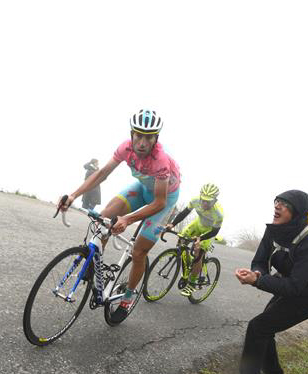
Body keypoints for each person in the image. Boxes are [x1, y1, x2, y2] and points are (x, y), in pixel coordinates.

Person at [58, 109, 181, 323]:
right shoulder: (126, 148)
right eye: (138, 135)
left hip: (164, 199)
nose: (142, 142)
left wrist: (127, 219)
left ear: (156, 139)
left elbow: (159, 202)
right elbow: (102, 173)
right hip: (142, 188)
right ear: (132, 134)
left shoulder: (161, 160)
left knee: (139, 251)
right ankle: (94, 264)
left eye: (148, 137)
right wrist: (73, 195)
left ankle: (128, 298)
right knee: (104, 217)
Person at [220, 190, 308, 374]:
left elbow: (295, 287)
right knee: (264, 329)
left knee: (258, 327)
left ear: (297, 212)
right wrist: (257, 273)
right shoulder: (273, 231)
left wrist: (258, 281)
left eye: (285, 204)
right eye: (277, 201)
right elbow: (260, 260)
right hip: (286, 287)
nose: (277, 206)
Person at [164, 183, 224, 297]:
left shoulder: (218, 213)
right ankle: (186, 268)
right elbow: (184, 213)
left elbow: (214, 231)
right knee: (182, 238)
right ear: (200, 197)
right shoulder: (196, 201)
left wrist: (200, 239)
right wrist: (172, 224)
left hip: (209, 231)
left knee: (198, 252)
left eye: (209, 201)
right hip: (198, 224)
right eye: (203, 200)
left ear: (215, 201)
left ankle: (191, 283)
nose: (205, 203)